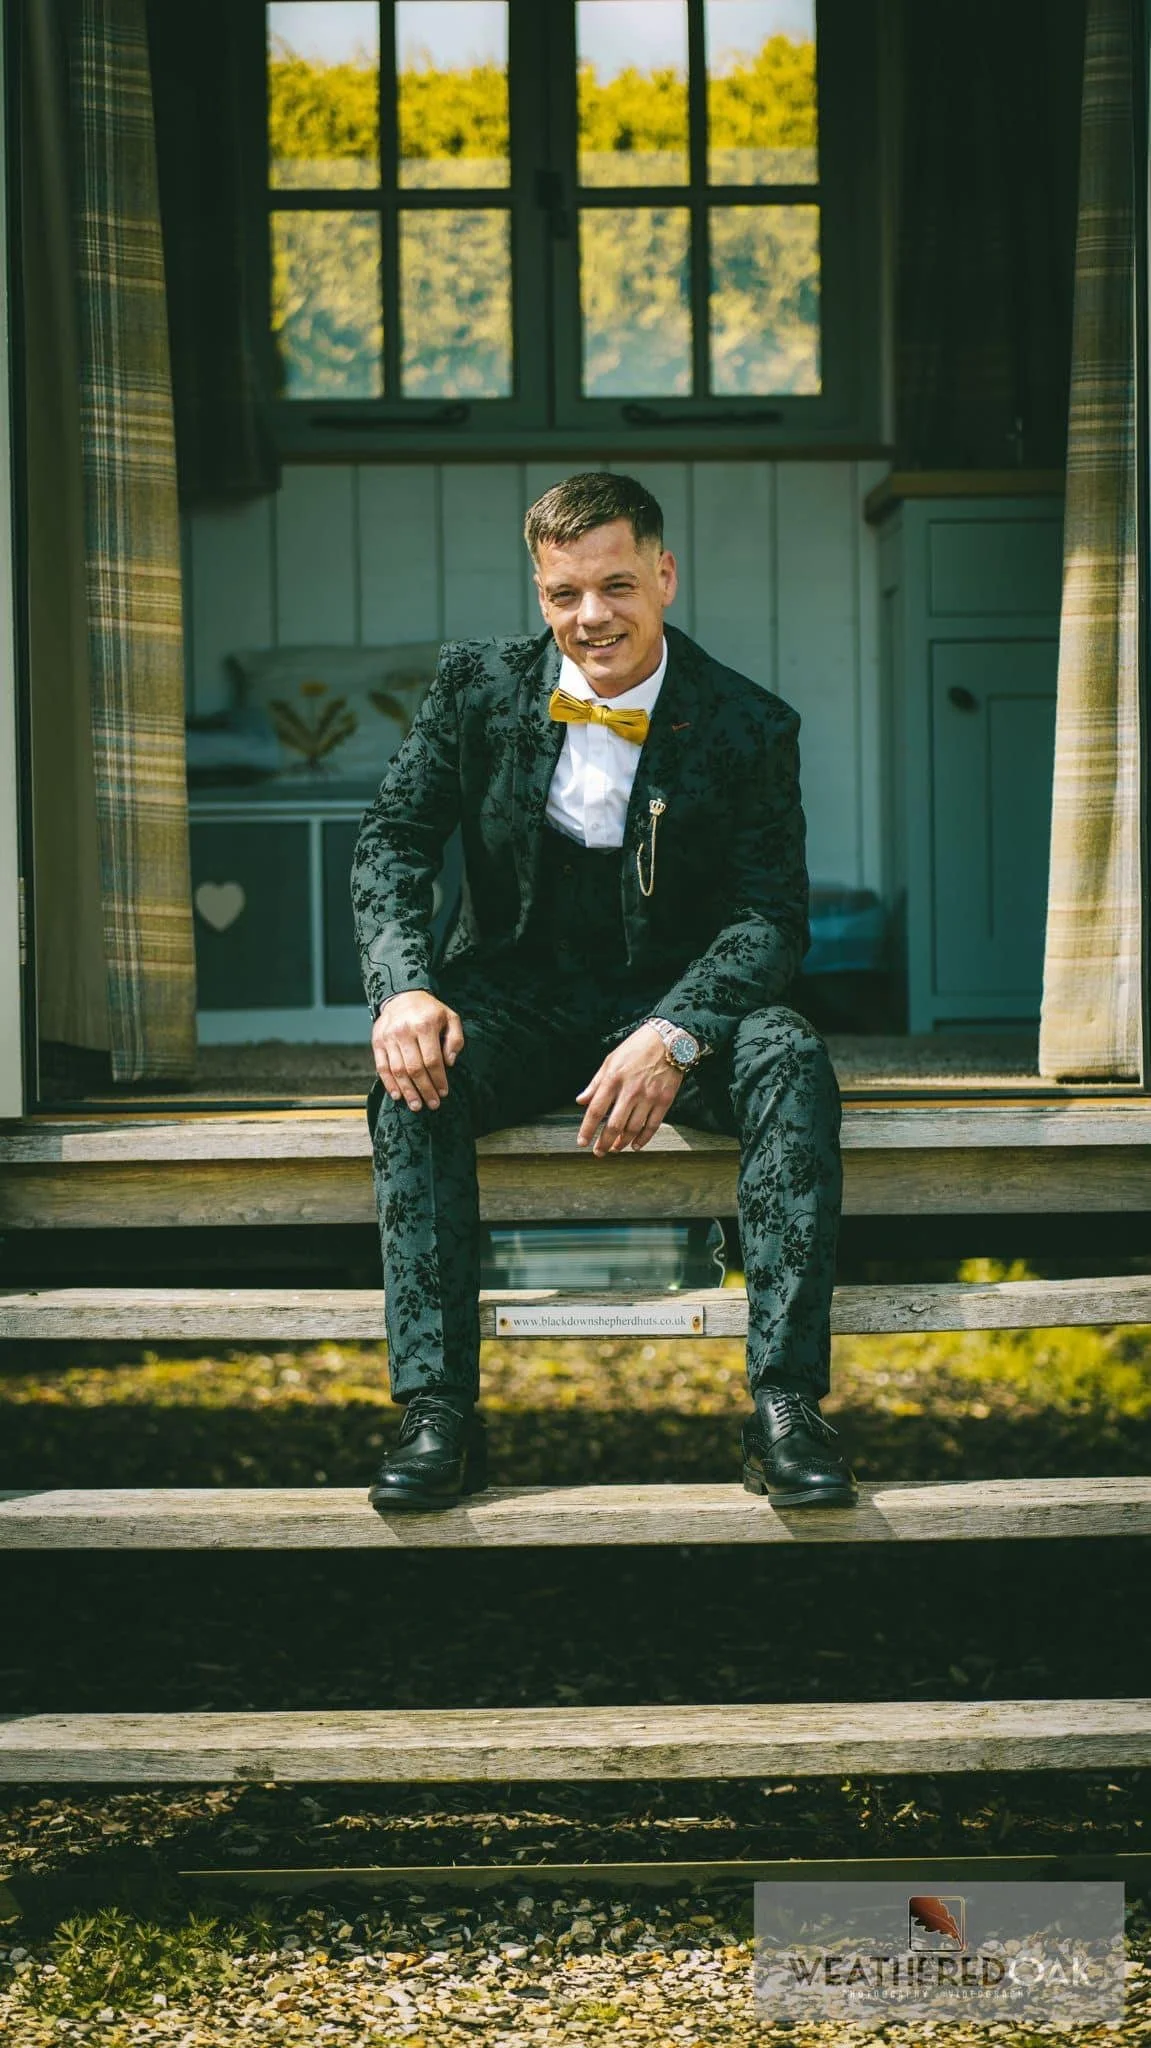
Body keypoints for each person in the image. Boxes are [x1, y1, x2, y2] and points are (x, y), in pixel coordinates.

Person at [352, 471, 855, 1511]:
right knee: (410, 1078)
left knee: (789, 1053)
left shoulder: (746, 724)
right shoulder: (475, 687)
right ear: (538, 593)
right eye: (562, 593)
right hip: (513, 1001)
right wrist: (402, 989)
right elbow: (394, 838)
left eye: (616, 584)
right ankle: (436, 1411)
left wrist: (675, 1030)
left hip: (672, 1004)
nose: (591, 617)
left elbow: (770, 916)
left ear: (663, 575)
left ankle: (786, 1405)